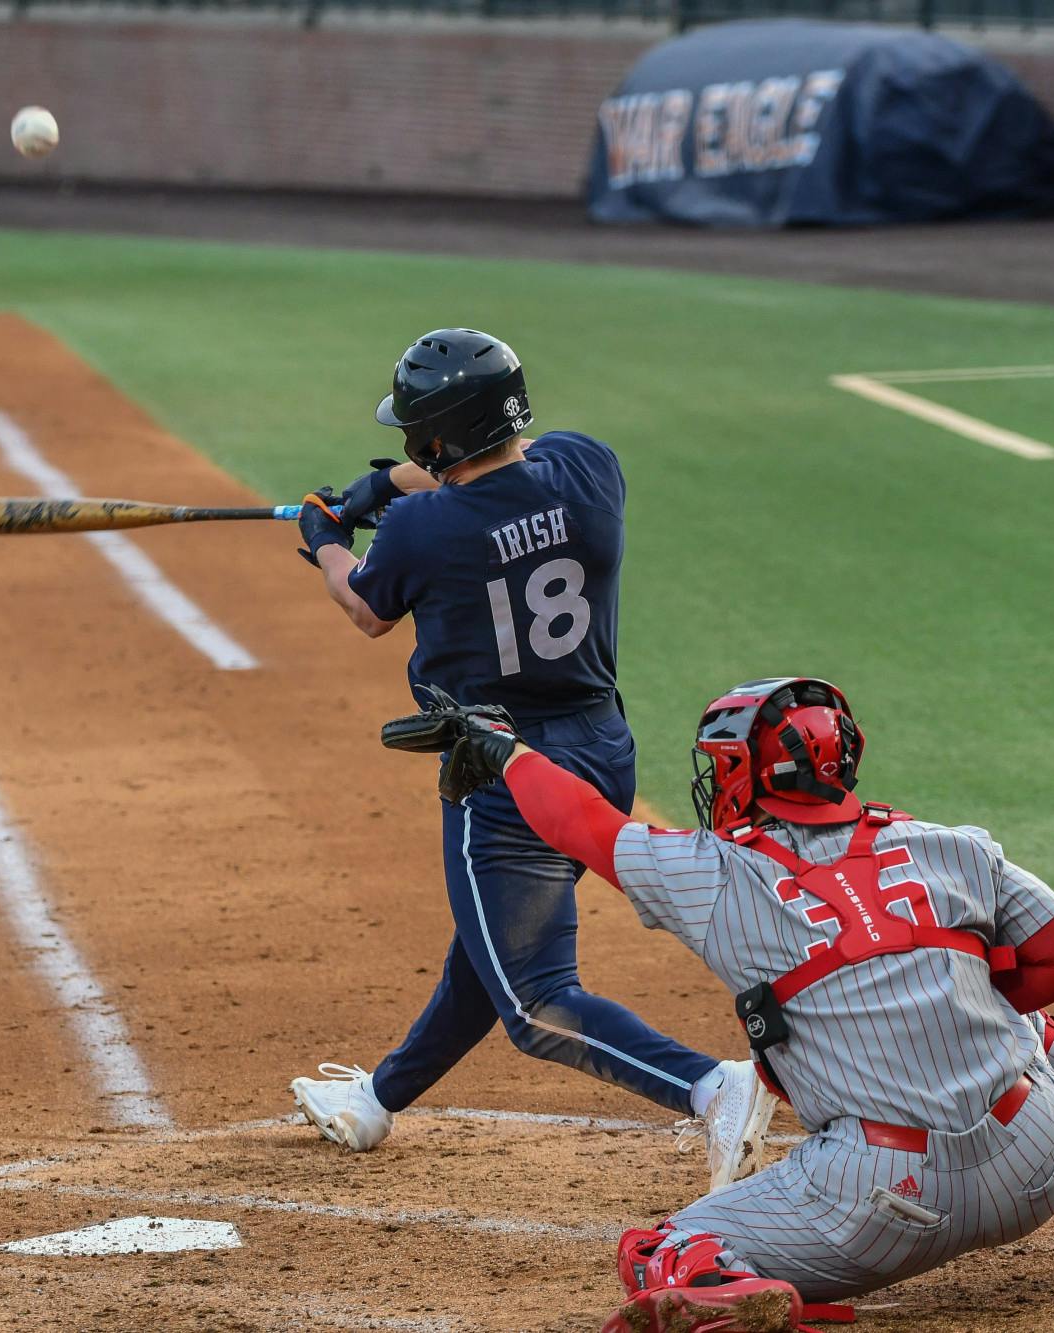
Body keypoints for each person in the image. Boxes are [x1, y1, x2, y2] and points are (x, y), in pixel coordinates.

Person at [418, 677, 1054, 1331]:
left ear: (746, 772)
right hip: (1039, 1159)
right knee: (1021, 1022)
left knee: (666, 1252)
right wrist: (974, 1002)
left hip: (887, 1202)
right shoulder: (949, 845)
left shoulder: (714, 875)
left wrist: (504, 753)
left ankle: (737, 1303)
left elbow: (584, 824)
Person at [285, 329, 764, 1188]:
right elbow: (510, 467)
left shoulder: (421, 528)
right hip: (600, 750)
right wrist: (380, 486)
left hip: (502, 772)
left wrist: (326, 531)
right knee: (495, 946)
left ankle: (711, 1086)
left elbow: (365, 606)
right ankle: (378, 1097)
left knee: (536, 998)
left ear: (435, 444)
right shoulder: (590, 469)